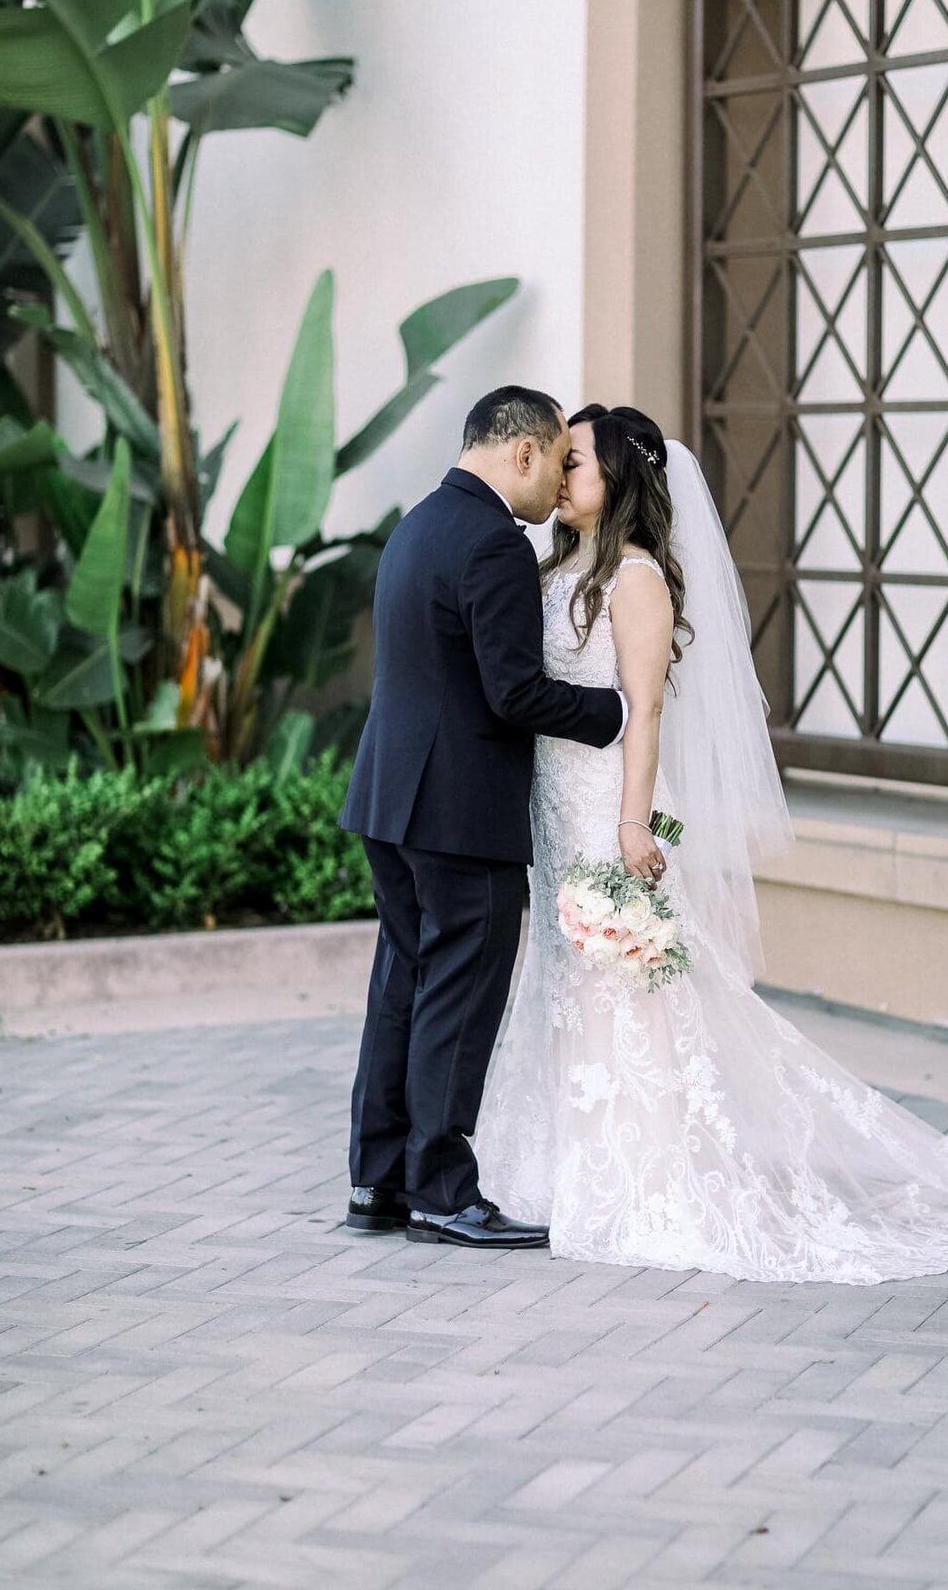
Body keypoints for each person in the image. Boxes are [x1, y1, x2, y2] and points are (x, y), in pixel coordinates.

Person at [474, 405, 948, 1283]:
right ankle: (559, 1169)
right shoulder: (559, 570)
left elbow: (645, 712)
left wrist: (631, 825)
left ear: (615, 481)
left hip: (615, 812)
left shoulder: (636, 579)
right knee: (566, 981)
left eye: (574, 460)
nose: (557, 472)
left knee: (631, 988)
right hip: (558, 810)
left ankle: (645, 1174)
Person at [338, 386, 636, 1249]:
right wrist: (610, 715)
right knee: (461, 995)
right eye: (557, 462)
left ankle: (377, 1181)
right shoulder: (494, 544)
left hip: (389, 798)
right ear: (524, 453)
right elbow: (514, 693)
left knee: (404, 983)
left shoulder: (418, 524)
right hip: (458, 812)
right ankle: (441, 1191)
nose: (556, 488)